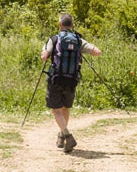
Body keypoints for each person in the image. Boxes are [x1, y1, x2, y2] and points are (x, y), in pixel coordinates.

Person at [40, 12, 100, 153]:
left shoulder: (54, 39)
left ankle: (67, 135)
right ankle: (61, 136)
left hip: (56, 79)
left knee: (56, 110)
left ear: (60, 25)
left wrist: (47, 52)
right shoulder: (78, 40)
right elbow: (97, 52)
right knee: (66, 108)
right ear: (72, 25)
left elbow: (44, 57)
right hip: (72, 80)